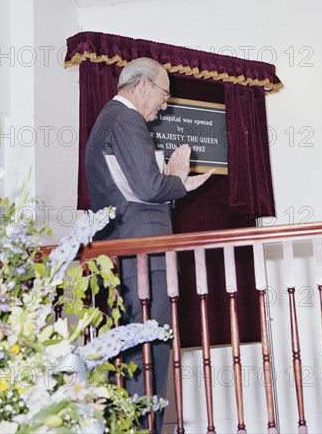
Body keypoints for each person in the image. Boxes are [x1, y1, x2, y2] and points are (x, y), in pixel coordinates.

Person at [85, 57, 214, 432]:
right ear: (143, 85)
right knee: (149, 359)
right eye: (164, 94)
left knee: (141, 360)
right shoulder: (125, 118)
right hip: (142, 258)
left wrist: (167, 185)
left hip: (130, 256)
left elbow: (136, 192)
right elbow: (148, 187)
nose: (164, 104)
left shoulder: (111, 120)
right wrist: (178, 181)